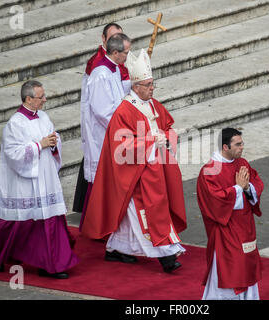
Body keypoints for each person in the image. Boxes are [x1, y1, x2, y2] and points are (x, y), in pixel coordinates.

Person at [81, 49, 187, 273]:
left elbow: (168, 128)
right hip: (135, 175)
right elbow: (122, 146)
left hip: (154, 170)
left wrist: (166, 138)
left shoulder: (153, 105)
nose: (152, 89)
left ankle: (115, 249)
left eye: (152, 84)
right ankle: (166, 257)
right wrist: (151, 141)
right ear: (135, 87)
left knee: (130, 221)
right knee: (148, 216)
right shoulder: (124, 110)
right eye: (148, 85)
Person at [0, 80, 79, 279]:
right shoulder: (15, 123)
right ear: (28, 99)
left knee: (49, 219)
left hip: (45, 176)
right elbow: (13, 153)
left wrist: (54, 142)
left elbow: (53, 136)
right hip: (25, 180)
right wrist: (39, 145)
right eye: (40, 97)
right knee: (19, 221)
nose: (45, 99)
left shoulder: (43, 116)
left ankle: (50, 264)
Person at [196, 128, 264, 300]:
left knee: (247, 265)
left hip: (245, 226)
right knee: (232, 266)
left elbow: (255, 183)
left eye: (242, 143)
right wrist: (238, 188)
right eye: (238, 144)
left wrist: (248, 188)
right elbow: (213, 201)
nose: (242, 147)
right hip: (225, 230)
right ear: (225, 147)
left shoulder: (242, 163)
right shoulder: (210, 170)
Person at [72, 23, 131, 213]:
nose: (127, 57)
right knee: (100, 180)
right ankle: (96, 224)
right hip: (103, 133)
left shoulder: (112, 68)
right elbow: (102, 111)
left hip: (113, 131)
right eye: (126, 53)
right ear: (115, 51)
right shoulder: (100, 73)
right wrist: (124, 126)